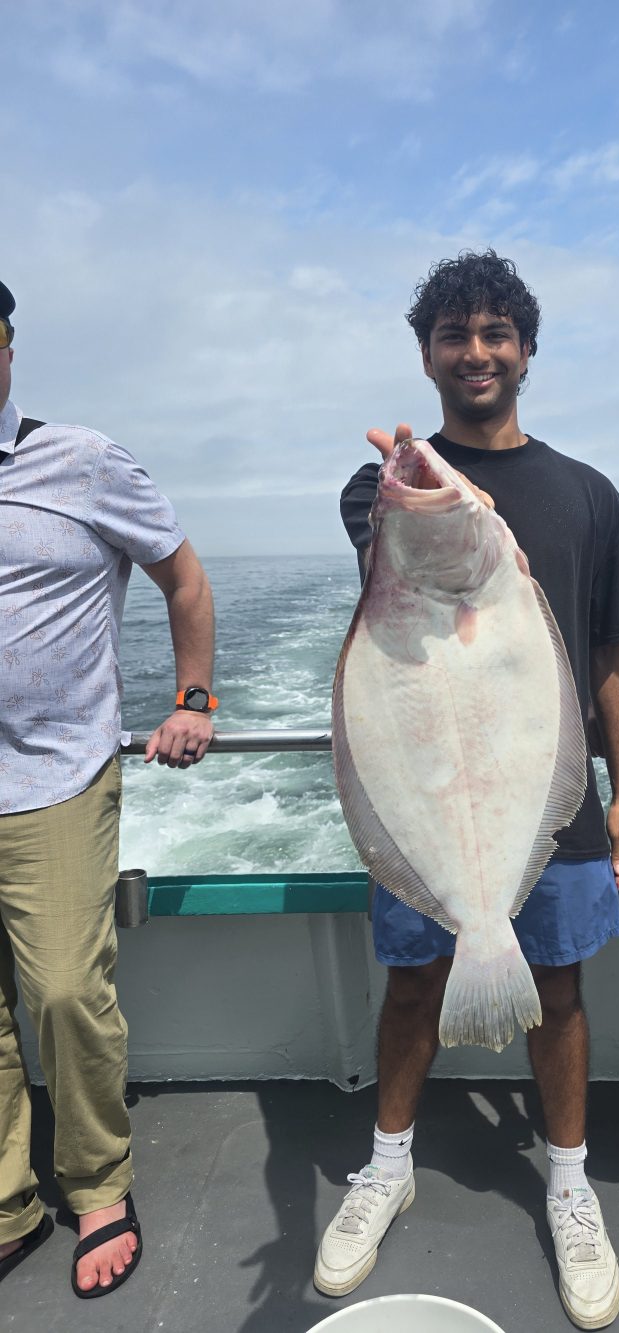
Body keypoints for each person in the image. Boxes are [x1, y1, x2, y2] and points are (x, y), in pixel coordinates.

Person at [323, 250, 619, 1329]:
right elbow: (394, 544)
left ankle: (567, 1181)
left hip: (541, 791)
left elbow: (606, 652)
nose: (477, 351)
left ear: (525, 351)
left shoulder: (590, 497)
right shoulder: (385, 490)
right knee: (413, 985)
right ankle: (386, 1165)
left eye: (496, 332)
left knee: (557, 993)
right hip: (429, 788)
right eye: (454, 334)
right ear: (426, 355)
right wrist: (405, 483)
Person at [0, 278, 217, 1297]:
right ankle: (7, 1199)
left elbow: (182, 575)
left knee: (61, 991)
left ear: (6, 347)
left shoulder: (80, 460)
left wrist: (194, 696)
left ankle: (98, 1186)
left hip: (51, 773)